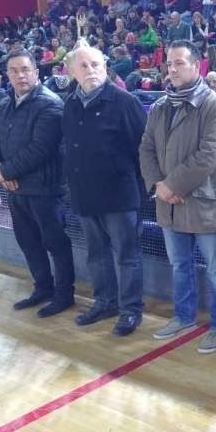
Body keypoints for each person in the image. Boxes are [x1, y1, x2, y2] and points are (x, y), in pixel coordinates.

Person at [139, 40, 216, 353]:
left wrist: (172, 187)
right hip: (168, 203)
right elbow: (146, 148)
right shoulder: (160, 106)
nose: (173, 69)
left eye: (180, 63)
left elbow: (210, 155)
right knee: (179, 265)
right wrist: (157, 184)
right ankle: (184, 317)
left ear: (196, 66)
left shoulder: (215, 106)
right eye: (169, 63)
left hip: (205, 203)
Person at [62, 40, 147, 336]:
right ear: (72, 71)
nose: (90, 70)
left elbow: (143, 152)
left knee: (126, 256)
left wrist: (141, 194)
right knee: (96, 254)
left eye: (96, 64)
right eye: (83, 66)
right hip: (84, 194)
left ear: (106, 67)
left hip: (120, 195)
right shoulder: (70, 103)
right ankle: (105, 302)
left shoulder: (126, 102)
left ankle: (130, 310)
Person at [0, 49, 75, 317]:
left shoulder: (50, 104)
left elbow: (41, 149)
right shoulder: (3, 105)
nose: (20, 75)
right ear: (7, 75)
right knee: (28, 242)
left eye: (25, 70)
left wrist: (4, 172)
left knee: (55, 244)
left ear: (36, 72)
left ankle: (64, 295)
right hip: (16, 188)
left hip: (45, 189)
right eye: (14, 70)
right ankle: (43, 288)